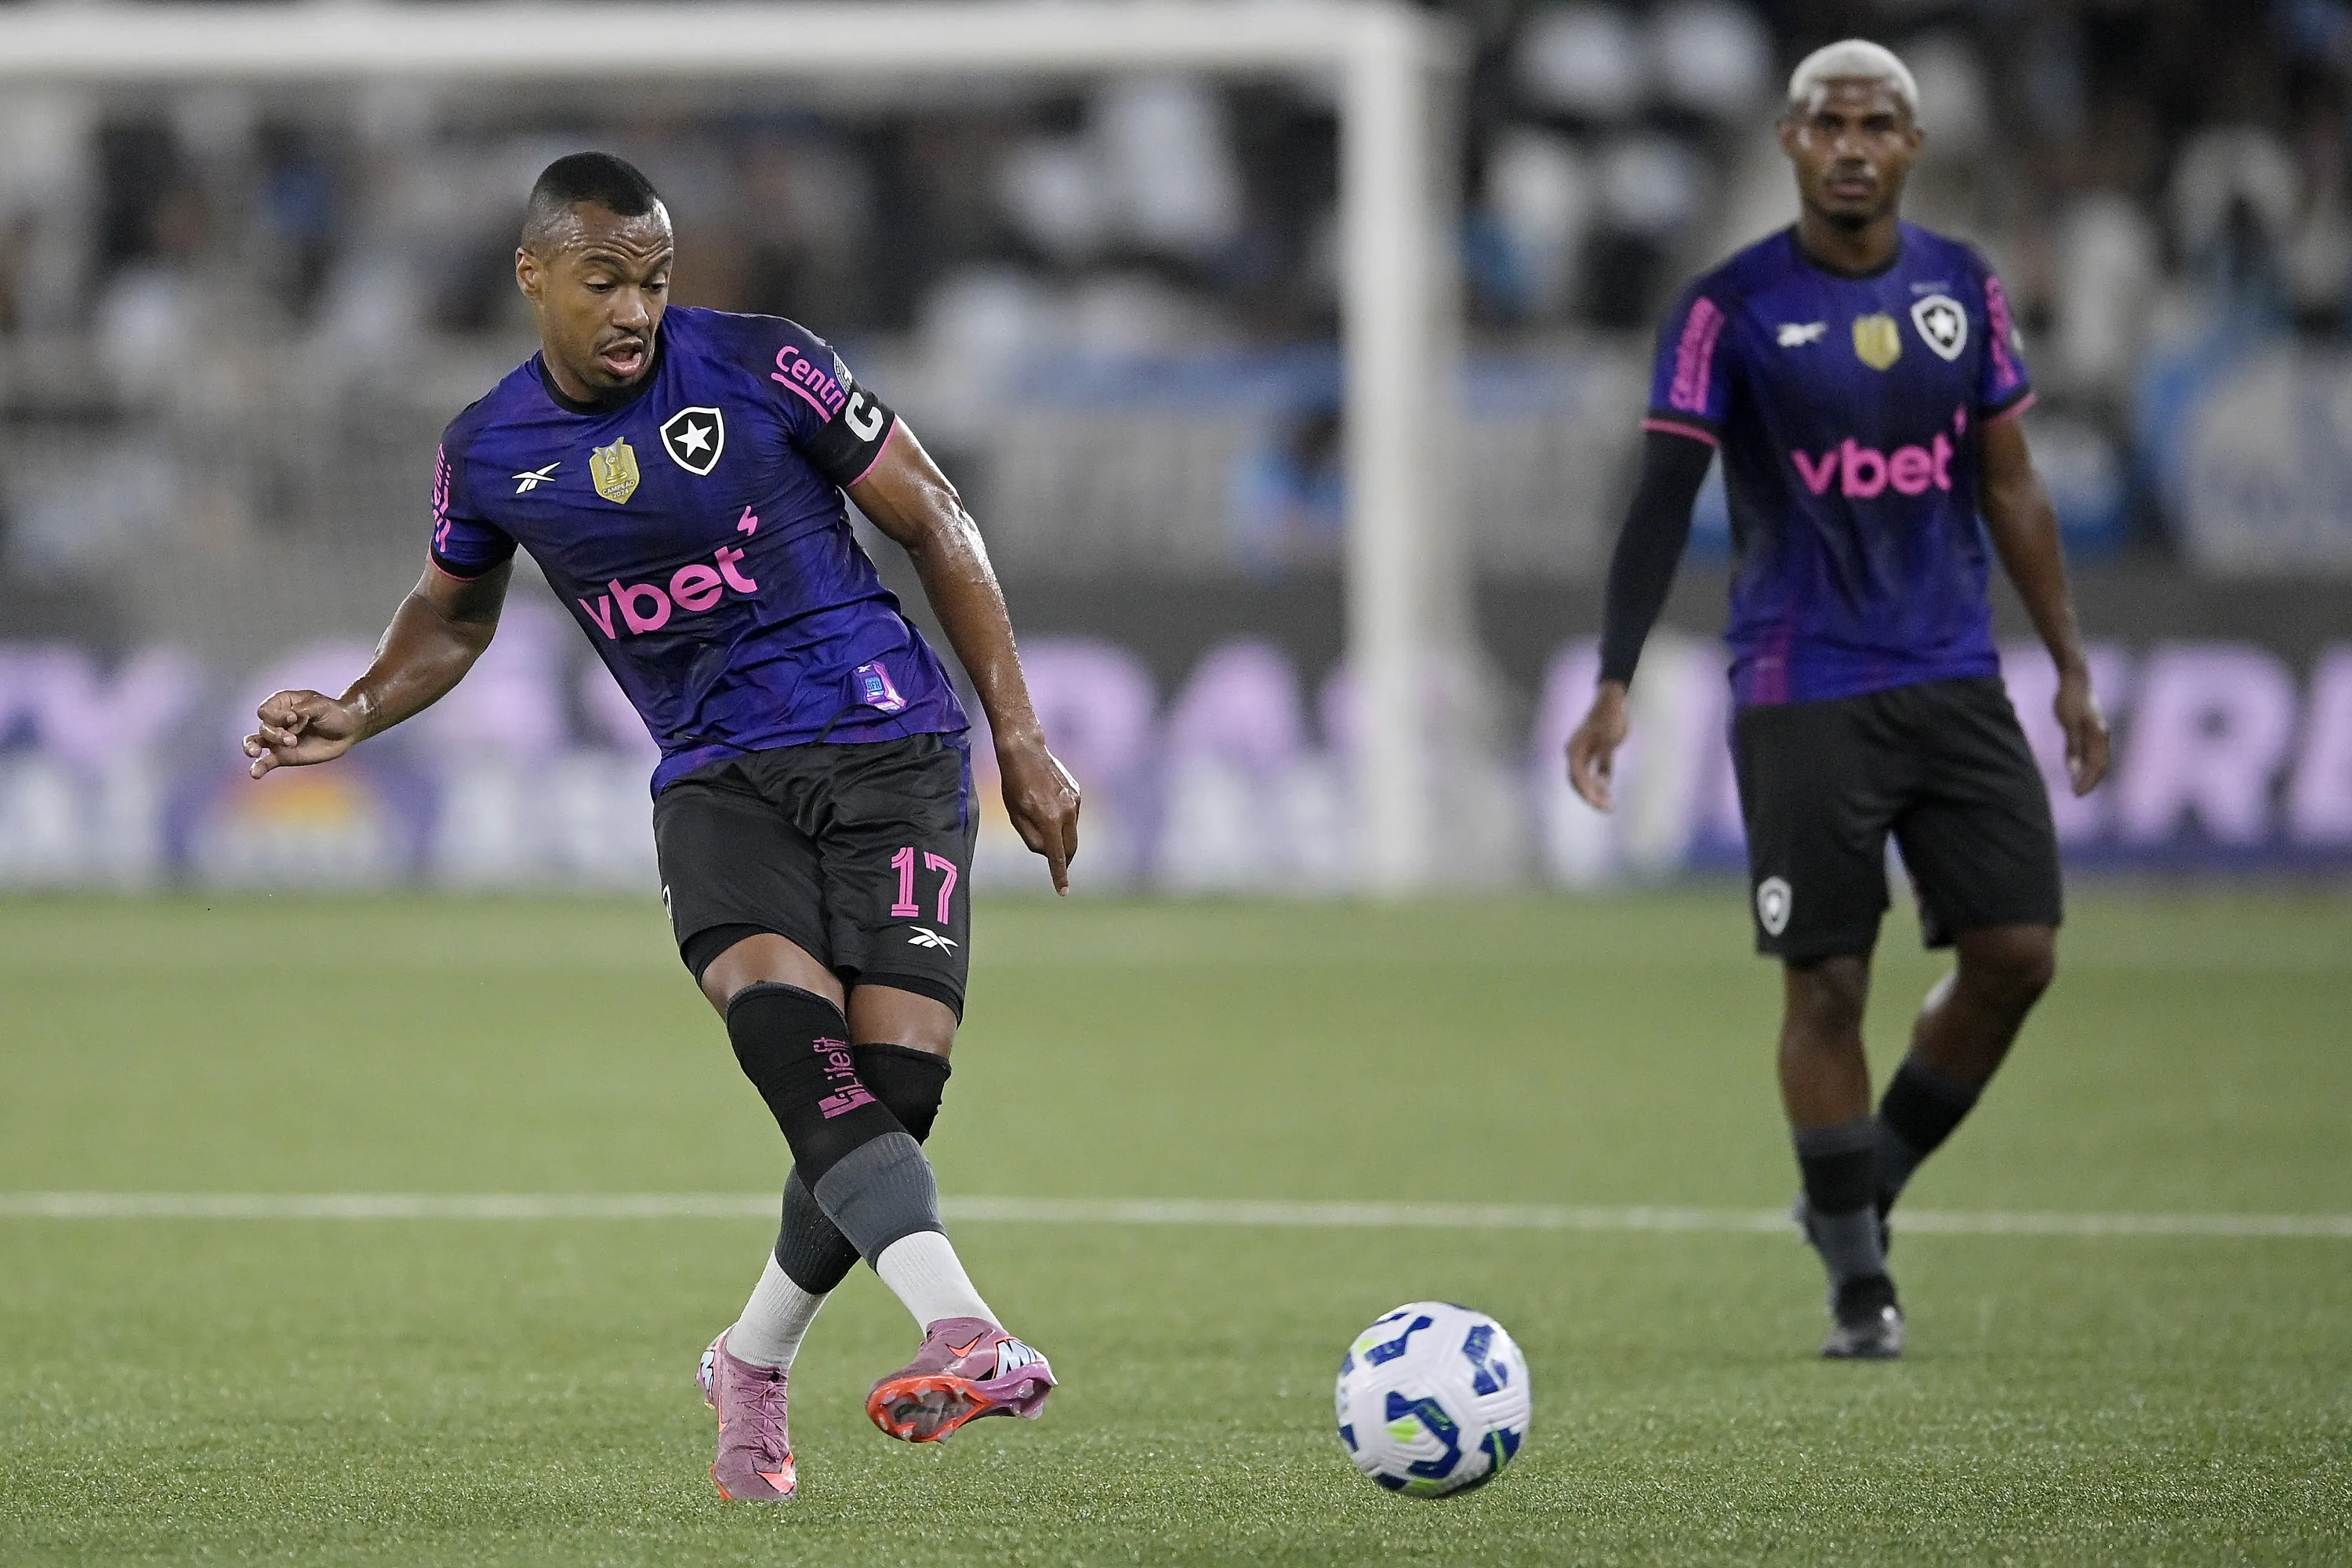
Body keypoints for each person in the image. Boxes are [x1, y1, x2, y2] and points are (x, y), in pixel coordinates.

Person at [244, 153, 1081, 1496]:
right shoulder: (490, 450)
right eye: (603, 280)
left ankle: (750, 1363)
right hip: (720, 778)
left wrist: (1023, 738)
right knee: (787, 1040)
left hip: (895, 751)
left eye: (654, 278)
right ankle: (964, 1327)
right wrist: (355, 705)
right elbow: (451, 614)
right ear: (534, 277)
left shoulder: (767, 366)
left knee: (891, 1098)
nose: (634, 307)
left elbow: (934, 513)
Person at [1565, 42, 2111, 1359]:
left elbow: (2014, 484)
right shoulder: (1726, 308)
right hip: (1802, 684)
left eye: (1878, 123)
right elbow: (1663, 495)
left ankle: (1859, 1189)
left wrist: (2073, 663)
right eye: (1829, 123)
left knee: (2019, 954)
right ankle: (1862, 1286)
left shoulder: (1964, 290)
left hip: (1951, 673)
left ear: (1915, 146)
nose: (1854, 143)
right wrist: (1616, 676)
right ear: (1789, 142)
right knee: (1827, 986)